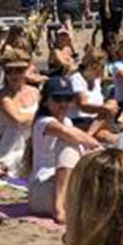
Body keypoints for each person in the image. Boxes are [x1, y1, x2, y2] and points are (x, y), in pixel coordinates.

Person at [26, 75, 103, 219]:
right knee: (68, 143)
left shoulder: (67, 121)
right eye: (57, 99)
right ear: (45, 101)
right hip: (43, 189)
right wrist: (97, 146)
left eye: (67, 99)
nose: (63, 104)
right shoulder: (44, 122)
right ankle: (59, 206)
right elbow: (66, 133)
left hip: (61, 184)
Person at [0, 53, 39, 178]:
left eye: (20, 70)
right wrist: (37, 116)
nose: (15, 75)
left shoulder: (35, 92)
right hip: (10, 147)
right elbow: (18, 119)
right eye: (10, 71)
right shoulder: (2, 96)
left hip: (34, 142)